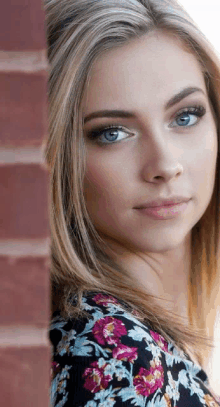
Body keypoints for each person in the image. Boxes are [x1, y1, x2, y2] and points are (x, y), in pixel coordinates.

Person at [44, 0, 220, 405]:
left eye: (186, 116)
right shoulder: (115, 354)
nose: (165, 165)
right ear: (51, 157)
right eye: (112, 133)